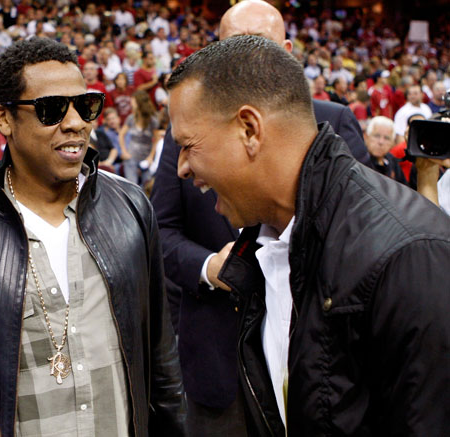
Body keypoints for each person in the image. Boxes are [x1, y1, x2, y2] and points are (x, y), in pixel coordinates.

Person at [168, 33, 450, 437]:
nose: (181, 168)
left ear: (249, 129)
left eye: (188, 145)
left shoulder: (410, 255)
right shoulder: (261, 247)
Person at [0, 37, 185, 437]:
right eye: (52, 110)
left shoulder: (132, 207)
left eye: (85, 106)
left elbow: (162, 363)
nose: (75, 123)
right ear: (3, 119)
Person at [151, 2, 370, 434]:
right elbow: (161, 233)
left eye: (261, 46)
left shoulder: (331, 122)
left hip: (315, 358)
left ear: (287, 52)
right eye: (234, 47)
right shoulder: (186, 134)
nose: (246, 60)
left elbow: (363, 232)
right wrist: (209, 266)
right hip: (217, 364)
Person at [119, 90, 160, 186]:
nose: (131, 104)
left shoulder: (152, 120)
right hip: (131, 156)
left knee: (148, 185)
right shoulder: (131, 118)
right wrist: (124, 151)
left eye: (133, 102)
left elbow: (156, 140)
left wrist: (151, 157)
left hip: (146, 157)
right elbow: (121, 134)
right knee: (131, 185)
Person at [364, 116, 407, 184]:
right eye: (377, 136)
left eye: (387, 138)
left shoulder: (392, 161)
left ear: (393, 143)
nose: (381, 142)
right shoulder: (360, 160)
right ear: (366, 137)